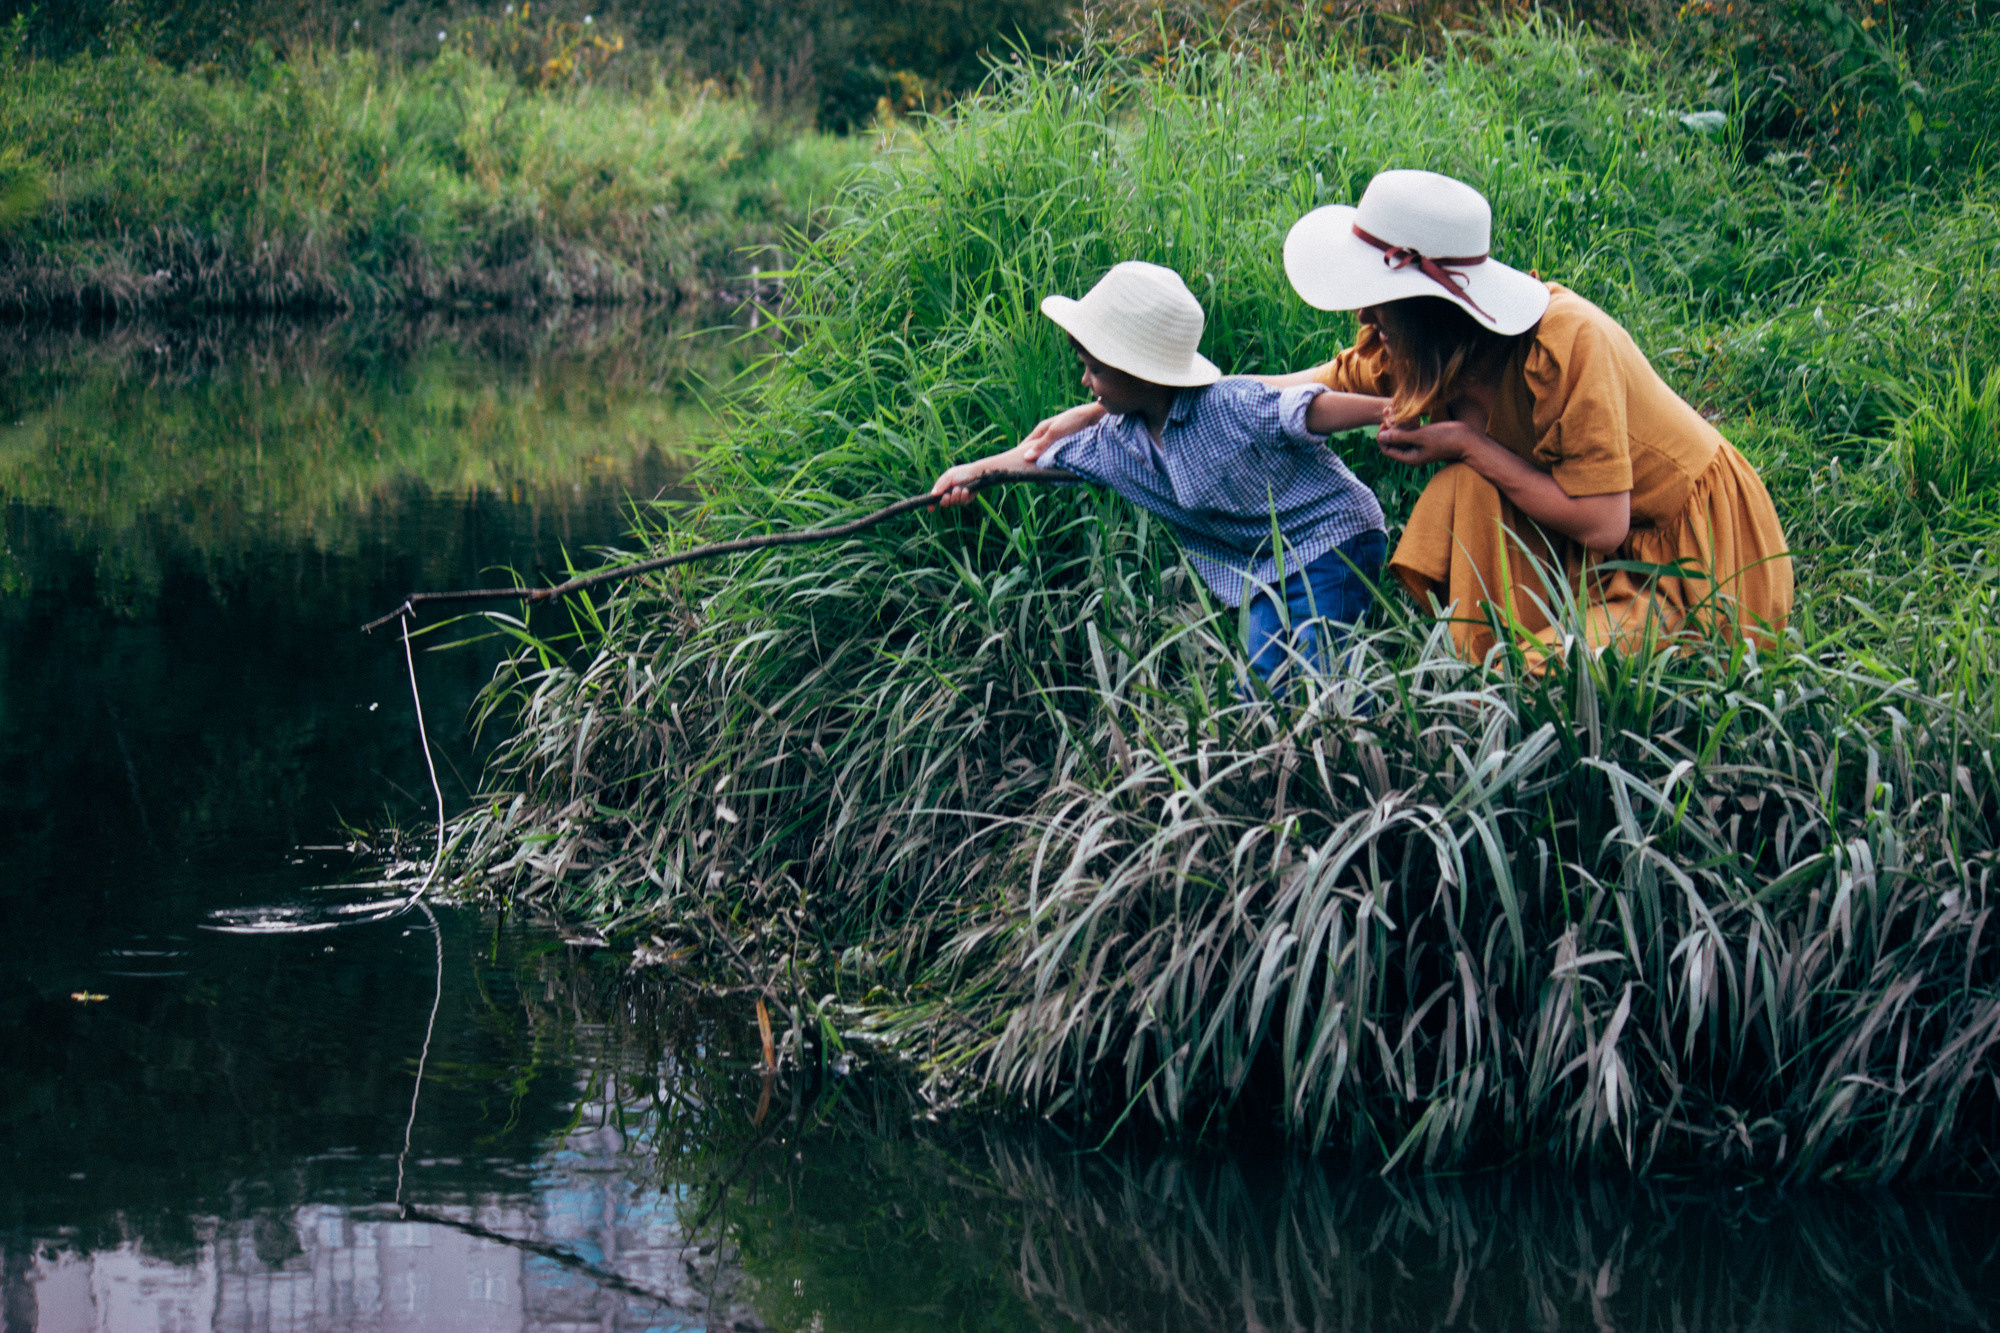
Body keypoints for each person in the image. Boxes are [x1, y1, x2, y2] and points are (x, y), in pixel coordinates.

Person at [1027, 171, 1795, 664]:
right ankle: (1483, 665)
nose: (1364, 313)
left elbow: (1602, 523)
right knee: (1462, 498)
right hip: (1578, 537)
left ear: (1435, 307)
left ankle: (1541, 670)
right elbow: (1273, 392)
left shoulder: (1565, 345)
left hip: (1684, 544)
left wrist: (1464, 441)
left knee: (1566, 675)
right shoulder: (1413, 352)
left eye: (1379, 299)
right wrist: (1098, 409)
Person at [932, 260, 1392, 687]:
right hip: (1268, 564)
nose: (1084, 384)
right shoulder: (1116, 441)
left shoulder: (1226, 405)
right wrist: (975, 472)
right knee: (1263, 684)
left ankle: (1350, 753)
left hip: (1331, 537)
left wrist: (1389, 412)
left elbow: (1308, 409)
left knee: (1321, 677)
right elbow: (1045, 457)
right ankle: (1280, 762)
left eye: (1095, 370)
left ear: (1142, 373)